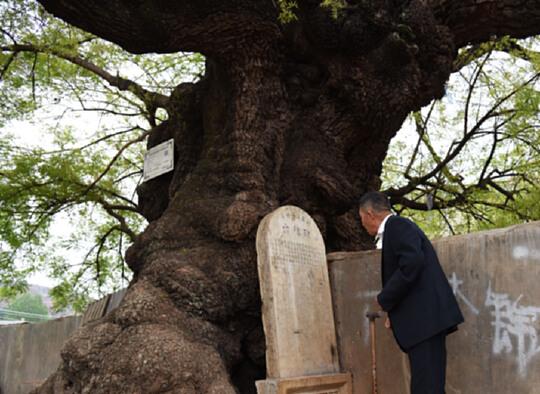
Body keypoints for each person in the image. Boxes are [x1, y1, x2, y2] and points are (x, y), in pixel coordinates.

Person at [358, 191, 464, 394]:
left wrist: (385, 298)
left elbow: (412, 263)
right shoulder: (396, 229)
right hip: (426, 324)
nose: (362, 223)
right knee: (428, 386)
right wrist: (393, 312)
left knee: (426, 387)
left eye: (361, 217)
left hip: (426, 324)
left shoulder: (397, 226)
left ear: (370, 214)